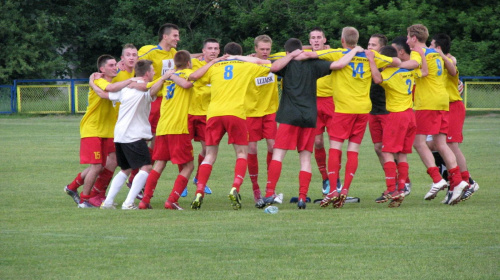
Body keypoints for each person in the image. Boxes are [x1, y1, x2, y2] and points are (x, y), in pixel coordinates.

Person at [260, 38, 363, 209]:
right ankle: (302, 197)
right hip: (309, 116)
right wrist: (354, 51)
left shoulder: (285, 64)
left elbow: (271, 66)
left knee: (278, 155)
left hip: (288, 115)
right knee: (305, 158)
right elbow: (338, 65)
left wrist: (291, 55)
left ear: (287, 52)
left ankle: (270, 193)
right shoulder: (315, 63)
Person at [306, 27, 401, 208]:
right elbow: (396, 60)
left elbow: (312, 56)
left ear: (342, 41)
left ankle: (333, 190)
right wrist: (373, 56)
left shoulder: (338, 53)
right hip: (363, 109)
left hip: (343, 109)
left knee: (335, 147)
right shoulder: (369, 55)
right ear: (357, 40)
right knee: (353, 150)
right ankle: (345, 190)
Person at [138, 51, 228, 210]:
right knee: (189, 166)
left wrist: (166, 77)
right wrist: (216, 61)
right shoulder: (188, 74)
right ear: (189, 63)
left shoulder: (168, 77)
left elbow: (151, 91)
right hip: (178, 128)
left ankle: (145, 200)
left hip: (162, 127)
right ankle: (172, 199)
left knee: (159, 163)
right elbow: (193, 79)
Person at [188, 42, 272, 210]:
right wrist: (242, 59)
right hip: (236, 113)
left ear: (224, 53)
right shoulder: (245, 66)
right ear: (239, 54)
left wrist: (213, 62)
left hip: (214, 114)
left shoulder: (214, 67)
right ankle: (235, 187)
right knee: (241, 153)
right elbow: (269, 64)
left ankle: (199, 191)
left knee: (210, 155)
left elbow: (193, 77)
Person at [401, 24, 468, 205]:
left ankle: (437, 178)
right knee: (440, 143)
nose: (407, 41)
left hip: (428, 103)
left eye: (408, 37)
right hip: (443, 102)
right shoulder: (435, 53)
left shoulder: (418, 52)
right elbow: (452, 68)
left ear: (414, 38)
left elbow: (414, 64)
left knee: (418, 142)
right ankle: (457, 180)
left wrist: (392, 63)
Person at [64, 54, 138, 208]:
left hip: (107, 131)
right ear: (102, 69)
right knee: (97, 166)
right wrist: (132, 80)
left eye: (114, 65)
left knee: (107, 164)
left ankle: (73, 187)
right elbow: (110, 88)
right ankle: (85, 200)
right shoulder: (98, 80)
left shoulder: (114, 80)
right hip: (93, 129)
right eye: (110, 66)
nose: (114, 68)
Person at [97, 59, 158, 209]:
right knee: (146, 167)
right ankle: (128, 203)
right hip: (134, 135)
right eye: (153, 71)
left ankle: (108, 202)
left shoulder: (126, 88)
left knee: (125, 169)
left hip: (120, 134)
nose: (155, 73)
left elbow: (103, 94)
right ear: (147, 73)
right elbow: (154, 88)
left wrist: (92, 82)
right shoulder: (146, 89)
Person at [366, 46, 419, 207]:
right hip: (410, 115)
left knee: (387, 152)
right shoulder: (407, 70)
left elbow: (377, 79)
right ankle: (401, 188)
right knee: (402, 154)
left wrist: (371, 61)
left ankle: (391, 189)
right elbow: (420, 70)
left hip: (396, 115)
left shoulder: (390, 72)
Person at [429, 33, 479, 202]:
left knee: (451, 145)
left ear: (438, 48)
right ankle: (455, 182)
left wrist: (442, 55)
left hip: (452, 106)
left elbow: (452, 61)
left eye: (431, 45)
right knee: (434, 144)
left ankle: (467, 181)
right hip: (442, 106)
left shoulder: (448, 59)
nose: (428, 47)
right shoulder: (435, 61)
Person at [181, 38, 221, 198]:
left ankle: (199, 179)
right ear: (203, 51)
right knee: (184, 150)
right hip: (189, 112)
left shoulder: (222, 67)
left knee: (208, 150)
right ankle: (182, 182)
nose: (213, 51)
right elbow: (180, 56)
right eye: (209, 48)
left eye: (216, 48)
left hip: (208, 114)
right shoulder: (193, 64)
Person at [245, 35, 280, 206]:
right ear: (256, 49)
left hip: (270, 112)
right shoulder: (247, 65)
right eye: (262, 49)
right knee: (251, 148)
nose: (265, 52)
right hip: (251, 113)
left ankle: (270, 188)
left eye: (268, 49)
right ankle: (255, 188)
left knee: (273, 146)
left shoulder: (275, 63)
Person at [308, 27, 342, 195]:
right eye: (313, 38)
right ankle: (325, 178)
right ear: (309, 41)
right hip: (313, 103)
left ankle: (336, 178)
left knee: (335, 142)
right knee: (318, 142)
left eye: (318, 37)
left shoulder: (333, 54)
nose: (315, 40)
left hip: (332, 102)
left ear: (324, 39)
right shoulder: (304, 56)